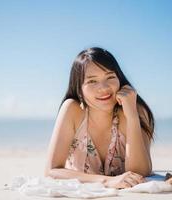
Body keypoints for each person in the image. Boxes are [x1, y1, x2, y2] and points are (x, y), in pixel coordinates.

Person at [45, 47, 155, 189]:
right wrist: (106, 181)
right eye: (92, 81)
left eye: (110, 77)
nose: (103, 88)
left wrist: (132, 116)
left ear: (119, 79)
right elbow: (51, 171)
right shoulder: (72, 110)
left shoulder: (135, 109)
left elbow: (140, 172)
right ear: (79, 89)